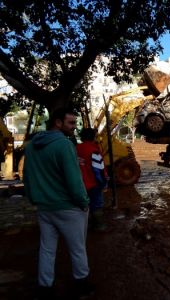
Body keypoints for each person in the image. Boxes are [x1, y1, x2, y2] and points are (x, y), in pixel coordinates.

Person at [23, 108, 94, 299]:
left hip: (44, 208)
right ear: (57, 122)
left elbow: (27, 177)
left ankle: (45, 287)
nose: (74, 127)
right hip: (69, 207)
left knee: (47, 248)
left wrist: (33, 198)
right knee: (78, 248)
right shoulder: (64, 145)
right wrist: (84, 202)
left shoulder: (31, 146)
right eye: (71, 123)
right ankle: (82, 285)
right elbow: (74, 180)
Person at [76, 128, 108, 231]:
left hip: (80, 183)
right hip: (93, 183)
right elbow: (98, 169)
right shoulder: (94, 150)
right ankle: (99, 226)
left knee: (85, 204)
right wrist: (103, 184)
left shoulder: (76, 148)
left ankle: (86, 225)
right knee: (97, 204)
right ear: (93, 137)